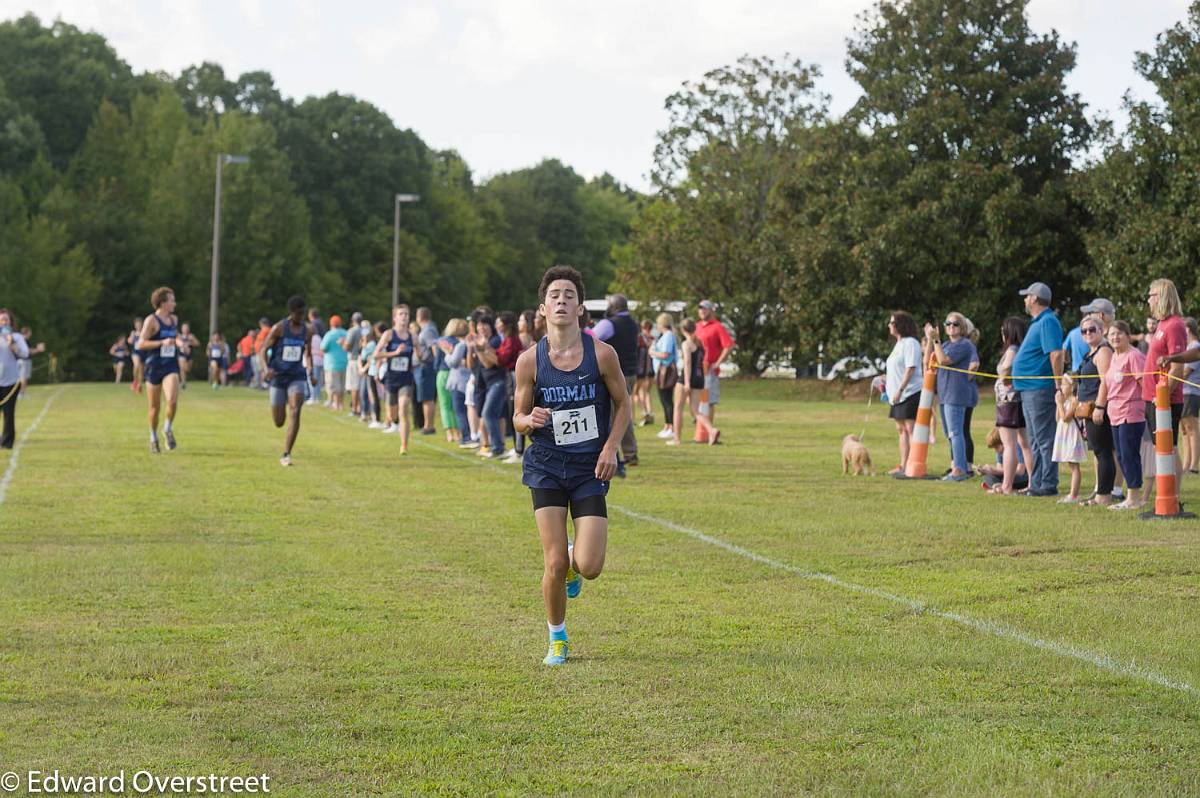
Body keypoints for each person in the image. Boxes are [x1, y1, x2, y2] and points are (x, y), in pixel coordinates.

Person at [512, 265, 631, 666]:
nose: (561, 300)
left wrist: (611, 448)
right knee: (554, 562)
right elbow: (517, 416)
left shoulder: (601, 354)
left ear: (580, 307)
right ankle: (557, 638)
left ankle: (572, 560)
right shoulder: (530, 361)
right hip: (546, 465)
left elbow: (623, 403)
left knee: (589, 566)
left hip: (589, 469)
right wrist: (528, 421)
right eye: (554, 296)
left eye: (569, 295)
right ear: (542, 308)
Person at [1013, 282, 1064, 497]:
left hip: (1039, 389)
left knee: (1044, 439)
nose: (1025, 300)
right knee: (1034, 440)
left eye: (1027, 296)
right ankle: (1036, 484)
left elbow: (1056, 354)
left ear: (1034, 298)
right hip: (1029, 389)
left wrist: (1058, 384)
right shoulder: (1039, 322)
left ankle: (1048, 483)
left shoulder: (1048, 322)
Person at [1143, 278, 1188, 496]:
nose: (1148, 300)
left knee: (1169, 449)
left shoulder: (1175, 325)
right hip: (1153, 397)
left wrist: (1162, 396)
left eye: (1151, 295)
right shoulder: (1162, 324)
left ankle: (1173, 496)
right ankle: (1167, 495)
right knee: (1161, 449)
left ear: (1161, 297)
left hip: (1165, 400)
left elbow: (1177, 369)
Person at [262, 296, 316, 467]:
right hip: (278, 376)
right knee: (279, 421)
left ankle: (286, 453)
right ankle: (281, 409)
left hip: (297, 375)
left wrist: (311, 372)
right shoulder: (279, 328)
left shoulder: (307, 331)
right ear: (292, 312)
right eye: (299, 313)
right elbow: (263, 349)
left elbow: (308, 353)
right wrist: (266, 369)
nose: (302, 316)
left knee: (296, 409)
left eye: (303, 313)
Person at [926, 311, 979, 481]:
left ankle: (960, 469)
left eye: (954, 324)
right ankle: (957, 466)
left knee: (956, 433)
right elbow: (929, 361)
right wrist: (930, 340)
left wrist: (936, 341)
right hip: (945, 394)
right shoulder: (947, 344)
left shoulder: (964, 345)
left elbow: (943, 361)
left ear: (962, 327)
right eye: (947, 323)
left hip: (956, 394)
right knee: (951, 433)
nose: (950, 326)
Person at [592, 294, 640, 468]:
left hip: (616, 374)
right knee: (622, 411)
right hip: (632, 372)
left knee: (617, 413)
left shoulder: (609, 324)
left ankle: (623, 453)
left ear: (613, 307)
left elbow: (590, 339)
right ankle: (629, 452)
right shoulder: (633, 324)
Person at [136, 287, 183, 453]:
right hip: (154, 366)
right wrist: (161, 343)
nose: (174, 303)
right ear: (163, 303)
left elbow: (174, 336)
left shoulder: (174, 320)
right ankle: (153, 437)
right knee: (154, 408)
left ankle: (167, 428)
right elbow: (140, 343)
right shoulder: (152, 320)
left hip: (170, 365)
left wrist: (179, 342)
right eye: (171, 300)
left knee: (172, 400)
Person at [1106, 321, 1147, 510]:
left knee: (1129, 455)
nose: (1115, 337)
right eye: (1112, 334)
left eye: (1119, 333)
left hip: (1130, 413)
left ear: (1128, 336)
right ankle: (1131, 496)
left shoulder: (1134, 356)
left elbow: (1143, 383)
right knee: (1121, 455)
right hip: (1114, 412)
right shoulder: (1115, 356)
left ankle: (1134, 498)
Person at [1079, 313, 1118, 506]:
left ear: (1101, 330)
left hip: (1098, 408)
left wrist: (1100, 407)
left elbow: (1106, 381)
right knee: (1099, 452)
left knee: (1103, 452)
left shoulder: (1103, 351)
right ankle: (1100, 493)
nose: (1087, 333)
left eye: (1092, 329)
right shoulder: (1090, 352)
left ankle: (1104, 495)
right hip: (1088, 409)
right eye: (1084, 330)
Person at [993, 316, 1034, 495]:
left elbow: (1006, 369)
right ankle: (1033, 483)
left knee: (1009, 444)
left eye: (1003, 330)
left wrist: (1003, 375)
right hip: (1019, 400)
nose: (1002, 333)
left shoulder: (1012, 349)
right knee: (1025, 444)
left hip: (1008, 402)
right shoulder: (1023, 349)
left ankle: (1007, 486)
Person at [885, 311, 923, 475]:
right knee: (901, 429)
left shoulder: (911, 343)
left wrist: (900, 389)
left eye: (892, 323)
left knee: (910, 427)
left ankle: (913, 464)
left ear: (901, 325)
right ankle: (903, 464)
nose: (889, 325)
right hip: (896, 394)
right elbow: (896, 368)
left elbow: (910, 368)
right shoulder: (898, 344)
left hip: (909, 392)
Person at [375, 304, 416, 455]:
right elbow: (376, 354)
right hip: (391, 379)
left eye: (406, 314)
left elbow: (419, 354)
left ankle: (404, 445)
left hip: (406, 378)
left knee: (404, 407)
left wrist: (423, 357)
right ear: (395, 317)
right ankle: (394, 421)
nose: (404, 317)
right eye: (401, 314)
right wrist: (395, 353)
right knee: (392, 415)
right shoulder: (389, 335)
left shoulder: (413, 336)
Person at [674, 319, 720, 446]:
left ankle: (676, 439)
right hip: (699, 379)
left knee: (678, 408)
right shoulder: (700, 344)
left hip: (687, 378)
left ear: (682, 330)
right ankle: (712, 430)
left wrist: (687, 382)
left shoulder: (686, 344)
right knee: (695, 411)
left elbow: (687, 362)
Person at [695, 299, 735, 429]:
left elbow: (728, 345)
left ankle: (709, 430)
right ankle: (702, 427)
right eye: (700, 308)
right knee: (696, 399)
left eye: (704, 308)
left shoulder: (717, 326)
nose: (701, 311)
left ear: (711, 310)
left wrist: (718, 363)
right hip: (698, 368)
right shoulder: (698, 326)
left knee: (709, 401)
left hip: (710, 370)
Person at [1052, 374, 1087, 503]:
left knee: (1074, 465)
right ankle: (1072, 493)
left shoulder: (1074, 401)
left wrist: (1059, 404)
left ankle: (1074, 495)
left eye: (1064, 384)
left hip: (1072, 435)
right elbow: (1057, 418)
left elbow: (1066, 418)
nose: (1061, 387)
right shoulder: (1065, 401)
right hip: (1064, 435)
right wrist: (1058, 403)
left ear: (1072, 387)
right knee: (1070, 465)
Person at [0, 311, 29, 449]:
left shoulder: (17, 337)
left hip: (11, 382)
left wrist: (12, 344)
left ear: (11, 321)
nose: (3, 322)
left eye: (6, 319)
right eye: (1, 320)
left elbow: (25, 353)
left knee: (8, 413)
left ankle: (7, 443)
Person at [649, 313, 678, 441]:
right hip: (661, 370)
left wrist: (652, 352)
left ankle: (671, 427)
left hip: (665, 371)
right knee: (664, 400)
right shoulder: (666, 336)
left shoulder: (668, 336)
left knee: (667, 400)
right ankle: (667, 426)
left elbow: (665, 354)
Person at [1179, 317, 1200, 475]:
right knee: (1184, 430)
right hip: (1183, 392)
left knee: (1192, 428)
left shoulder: (1195, 347)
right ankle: (1186, 464)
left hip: (1191, 392)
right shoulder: (1187, 347)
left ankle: (1193, 465)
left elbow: (1186, 372)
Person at [414, 307, 439, 436]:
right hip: (424, 367)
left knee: (427, 398)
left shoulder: (428, 330)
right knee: (425, 398)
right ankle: (427, 425)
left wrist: (435, 366)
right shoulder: (427, 329)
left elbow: (434, 347)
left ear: (419, 317)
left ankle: (428, 426)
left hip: (427, 367)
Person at [321, 315, 349, 411]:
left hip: (331, 363)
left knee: (334, 385)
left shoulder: (330, 334)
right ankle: (340, 404)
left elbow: (323, 348)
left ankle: (335, 404)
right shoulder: (346, 333)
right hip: (344, 362)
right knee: (342, 385)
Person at [633, 319, 655, 427]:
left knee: (634, 394)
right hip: (645, 370)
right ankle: (648, 412)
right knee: (645, 393)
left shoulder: (636, 340)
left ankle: (644, 413)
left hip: (636, 370)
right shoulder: (645, 339)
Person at [342, 312, 364, 417]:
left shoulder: (352, 331)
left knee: (354, 386)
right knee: (359, 386)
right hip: (362, 360)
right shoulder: (364, 330)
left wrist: (342, 343)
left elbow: (347, 347)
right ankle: (360, 407)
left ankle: (355, 409)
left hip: (354, 360)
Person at [176, 322, 200, 390]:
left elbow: (197, 344)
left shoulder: (191, 336)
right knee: (182, 368)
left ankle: (183, 381)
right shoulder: (179, 336)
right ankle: (183, 383)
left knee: (187, 369)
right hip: (181, 354)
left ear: (188, 329)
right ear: (182, 329)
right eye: (184, 328)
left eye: (186, 328)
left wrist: (190, 342)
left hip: (190, 355)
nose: (185, 329)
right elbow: (176, 343)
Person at [253, 317, 272, 390]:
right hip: (260, 352)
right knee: (261, 369)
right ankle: (262, 383)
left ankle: (265, 383)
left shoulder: (267, 330)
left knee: (264, 368)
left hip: (263, 352)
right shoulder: (263, 331)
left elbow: (269, 340)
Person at [128, 317, 144, 394]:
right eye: (137, 325)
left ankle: (139, 386)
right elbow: (129, 341)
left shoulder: (145, 332)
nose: (138, 326)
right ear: (135, 326)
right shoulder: (133, 333)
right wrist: (132, 339)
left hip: (143, 352)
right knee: (136, 365)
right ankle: (135, 381)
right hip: (135, 352)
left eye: (140, 324)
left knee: (141, 371)